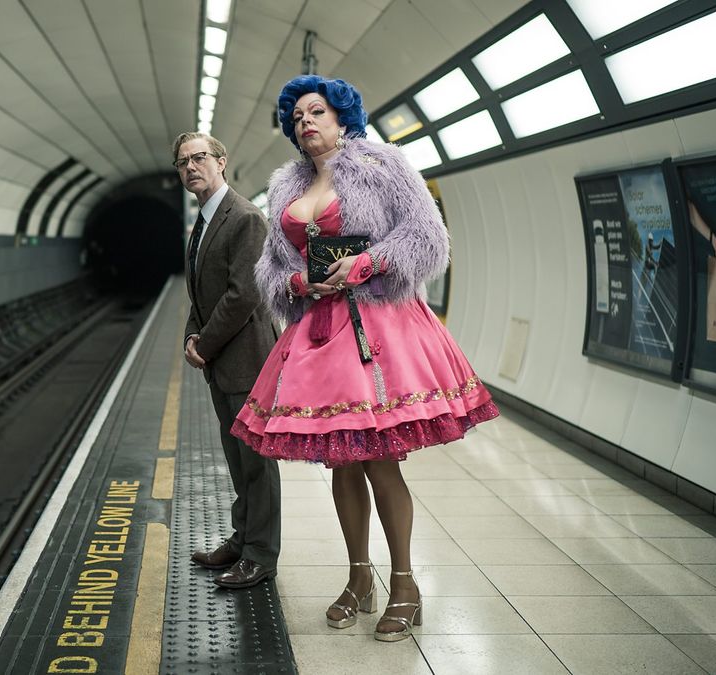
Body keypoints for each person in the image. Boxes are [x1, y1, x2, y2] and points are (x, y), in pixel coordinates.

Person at [229, 76, 500, 640]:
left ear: (341, 116)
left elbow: (429, 238)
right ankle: (359, 579)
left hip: (377, 327)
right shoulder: (285, 187)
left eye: (317, 111)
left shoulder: (385, 165)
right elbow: (271, 270)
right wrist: (298, 281)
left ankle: (406, 584)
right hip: (317, 331)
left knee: (381, 460)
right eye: (297, 116)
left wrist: (367, 264)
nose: (306, 122)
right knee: (342, 461)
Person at [175, 131, 282, 589]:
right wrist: (191, 334)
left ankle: (261, 554)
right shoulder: (203, 221)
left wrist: (205, 344)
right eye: (182, 162)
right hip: (225, 362)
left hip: (247, 359)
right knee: (237, 460)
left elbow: (243, 295)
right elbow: (202, 291)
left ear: (222, 161)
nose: (191, 167)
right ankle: (242, 540)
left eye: (200, 157)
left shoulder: (244, 218)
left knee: (257, 462)